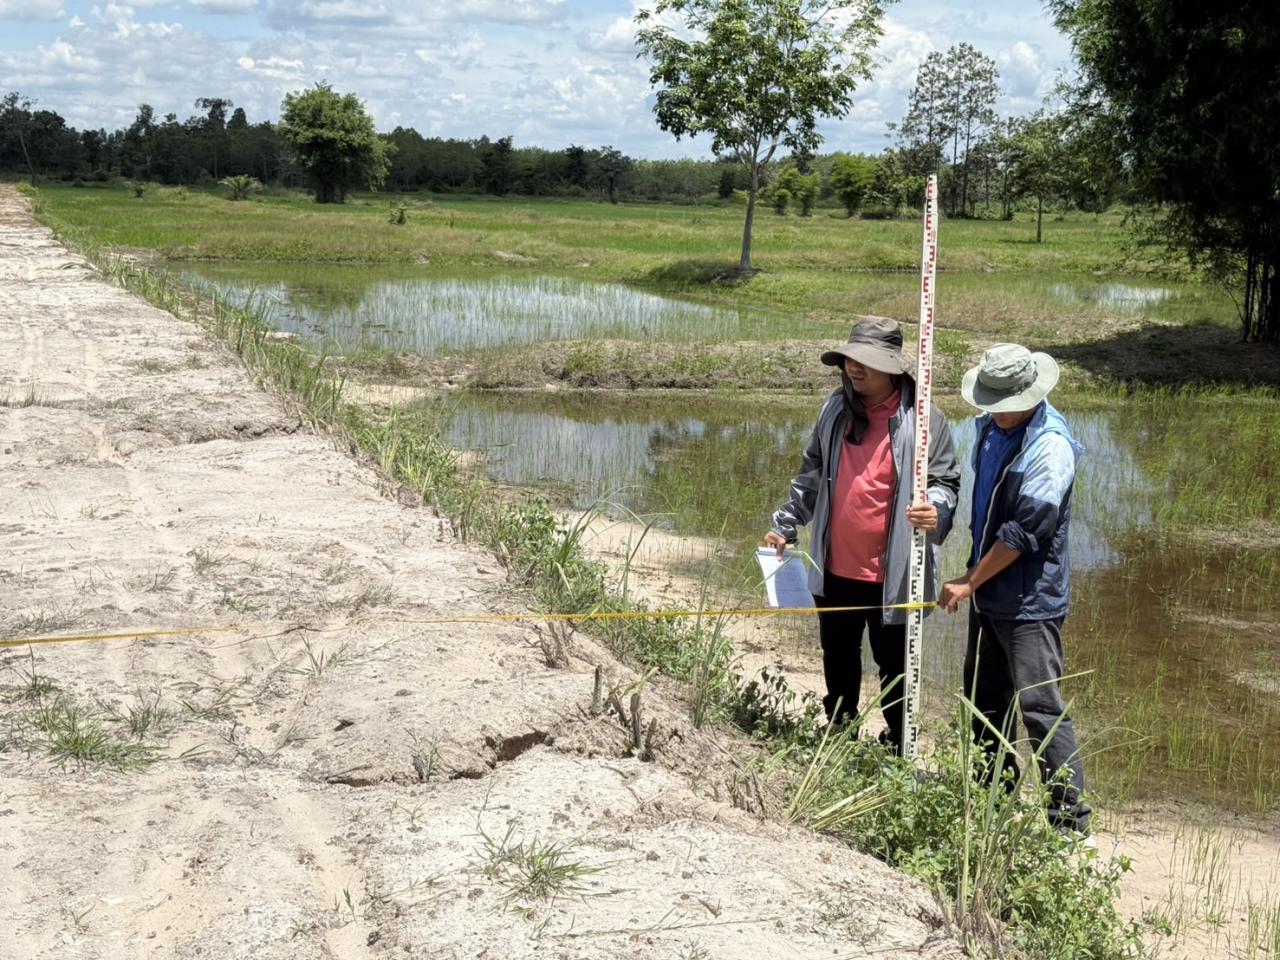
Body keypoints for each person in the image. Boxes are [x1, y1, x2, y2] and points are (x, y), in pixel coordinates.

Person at [765, 318, 959, 754]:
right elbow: (811, 473)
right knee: (838, 659)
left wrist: (938, 509)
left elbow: (946, 481)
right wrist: (784, 524)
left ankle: (897, 749)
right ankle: (839, 738)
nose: (854, 369)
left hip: (895, 575)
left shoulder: (924, 420)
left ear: (892, 368)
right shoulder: (835, 409)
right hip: (835, 568)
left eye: (866, 362)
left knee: (895, 667)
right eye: (851, 360)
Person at [938, 343, 1091, 834]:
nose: (996, 414)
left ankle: (1069, 826)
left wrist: (967, 581)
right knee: (983, 700)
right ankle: (992, 798)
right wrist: (975, 582)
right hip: (987, 594)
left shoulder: (1051, 447)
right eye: (991, 404)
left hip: (1030, 603)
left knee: (1041, 708)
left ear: (1031, 394)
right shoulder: (989, 429)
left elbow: (1023, 534)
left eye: (1005, 406)